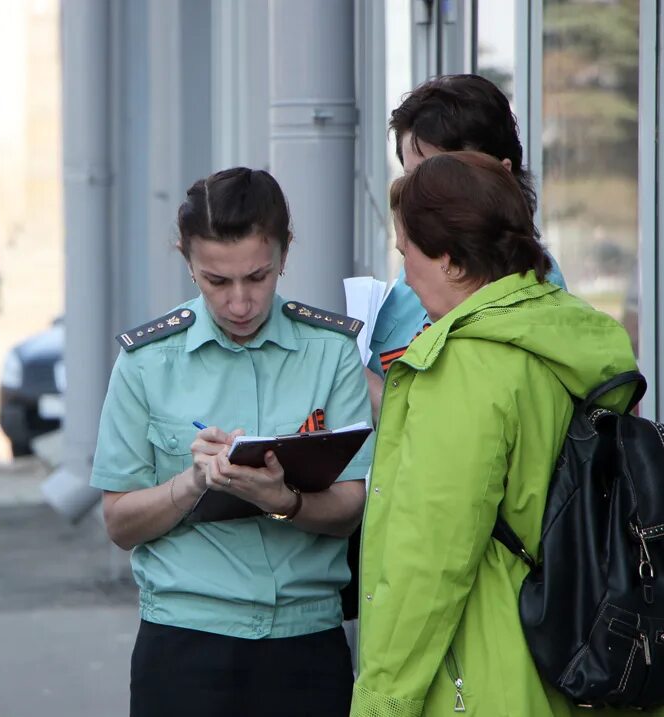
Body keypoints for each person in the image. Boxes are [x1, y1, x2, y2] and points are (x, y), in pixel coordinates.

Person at [351, 151, 641, 716]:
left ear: (452, 261)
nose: (404, 273)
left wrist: (381, 702)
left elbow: (428, 563)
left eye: (406, 252)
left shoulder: (464, 366)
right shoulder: (576, 336)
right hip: (585, 658)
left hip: (486, 676)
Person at [92, 167, 373, 716]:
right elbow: (119, 523)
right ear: (187, 262)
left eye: (258, 277)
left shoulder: (331, 351)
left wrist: (284, 502)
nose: (240, 303)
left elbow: (352, 508)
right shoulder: (147, 361)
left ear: (284, 254)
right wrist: (192, 483)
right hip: (185, 644)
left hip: (307, 641)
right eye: (216, 282)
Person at [367, 74, 566, 420]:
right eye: (412, 180)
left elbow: (469, 426)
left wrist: (365, 389)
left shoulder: (531, 289)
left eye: (441, 180)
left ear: (500, 178)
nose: (419, 200)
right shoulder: (413, 275)